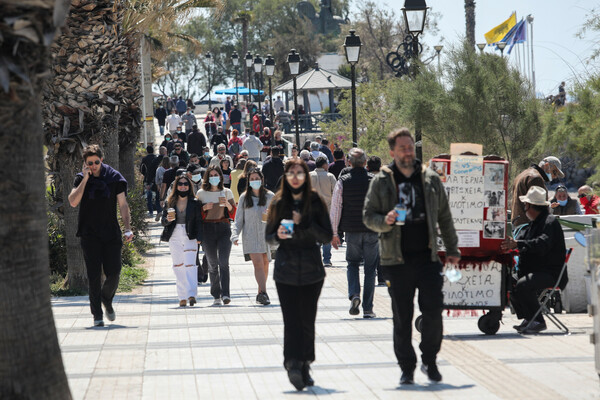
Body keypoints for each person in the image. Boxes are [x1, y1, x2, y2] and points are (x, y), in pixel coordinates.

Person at [363, 128, 460, 384]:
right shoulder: (381, 181)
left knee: (433, 311)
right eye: (402, 148)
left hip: (427, 259)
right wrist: (385, 220)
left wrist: (452, 250)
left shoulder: (429, 179)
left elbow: (445, 217)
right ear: (392, 152)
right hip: (396, 260)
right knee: (402, 317)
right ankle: (407, 366)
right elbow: (368, 216)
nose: (407, 151)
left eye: (410, 147)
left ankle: (429, 360)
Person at [265, 158, 333, 391]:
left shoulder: (315, 201)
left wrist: (303, 223)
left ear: (306, 176)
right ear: (285, 176)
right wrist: (279, 236)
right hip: (286, 269)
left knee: (307, 320)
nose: (295, 177)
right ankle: (292, 363)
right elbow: (269, 236)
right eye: (291, 172)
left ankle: (305, 363)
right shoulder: (278, 202)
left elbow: (326, 235)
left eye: (300, 173)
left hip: (312, 269)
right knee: (291, 320)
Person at [68, 144, 134, 327]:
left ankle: (106, 298)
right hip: (90, 234)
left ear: (102, 160)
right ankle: (97, 314)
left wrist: (127, 227)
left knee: (114, 272)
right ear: (85, 163)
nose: (94, 165)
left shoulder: (114, 178)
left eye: (96, 162)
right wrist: (85, 180)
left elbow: (122, 205)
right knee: (94, 275)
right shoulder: (81, 178)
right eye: (90, 163)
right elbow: (73, 202)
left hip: (111, 233)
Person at [501, 186, 567, 334]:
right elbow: (522, 241)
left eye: (526, 206)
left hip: (550, 273)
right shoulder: (534, 224)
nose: (524, 209)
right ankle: (529, 317)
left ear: (531, 207)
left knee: (524, 285)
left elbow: (541, 244)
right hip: (536, 271)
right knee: (510, 282)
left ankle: (538, 321)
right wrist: (511, 244)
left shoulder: (549, 223)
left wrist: (517, 244)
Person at [329, 149, 378, 317]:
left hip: (352, 230)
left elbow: (336, 208)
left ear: (349, 162)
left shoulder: (343, 181)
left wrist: (334, 233)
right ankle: (368, 308)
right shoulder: (375, 181)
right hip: (372, 230)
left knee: (352, 264)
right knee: (371, 269)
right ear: (365, 163)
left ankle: (354, 294)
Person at [232, 168, 275, 305]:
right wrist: (234, 235)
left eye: (257, 178)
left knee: (265, 263)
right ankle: (264, 292)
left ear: (262, 180)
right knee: (258, 264)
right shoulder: (245, 197)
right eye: (252, 179)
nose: (255, 181)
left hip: (265, 236)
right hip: (250, 236)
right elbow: (238, 219)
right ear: (248, 181)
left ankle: (260, 293)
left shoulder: (270, 196)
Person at [160, 175, 203, 307]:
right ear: (176, 186)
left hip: (190, 234)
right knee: (178, 265)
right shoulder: (170, 202)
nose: (183, 186)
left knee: (190, 265)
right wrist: (168, 219)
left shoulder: (195, 202)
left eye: (185, 184)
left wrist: (200, 237)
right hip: (174, 234)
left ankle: (191, 294)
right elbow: (163, 221)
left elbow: (199, 221)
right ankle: (182, 296)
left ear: (189, 186)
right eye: (180, 184)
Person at [197, 165, 236, 305]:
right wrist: (203, 208)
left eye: (216, 175)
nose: (214, 178)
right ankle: (216, 295)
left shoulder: (227, 192)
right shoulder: (201, 193)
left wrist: (228, 205)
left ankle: (226, 294)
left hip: (224, 227)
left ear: (220, 177)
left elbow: (234, 213)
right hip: (207, 228)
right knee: (213, 264)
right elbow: (196, 215)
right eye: (211, 175)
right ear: (207, 177)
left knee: (223, 262)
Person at [511, 156, 564, 228]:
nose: (555, 176)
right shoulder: (536, 178)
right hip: (528, 226)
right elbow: (538, 209)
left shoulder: (523, 174)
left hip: (517, 224)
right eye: (554, 172)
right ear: (547, 165)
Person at [310, 156, 337, 268]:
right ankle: (326, 259)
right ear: (324, 164)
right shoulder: (330, 176)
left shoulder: (308, 175)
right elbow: (336, 194)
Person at [140, 145, 158, 217]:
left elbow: (142, 169)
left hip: (147, 179)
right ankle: (159, 210)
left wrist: (145, 174)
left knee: (148, 196)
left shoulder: (145, 159)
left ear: (147, 151)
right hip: (156, 179)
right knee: (157, 195)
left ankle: (151, 211)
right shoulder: (156, 158)